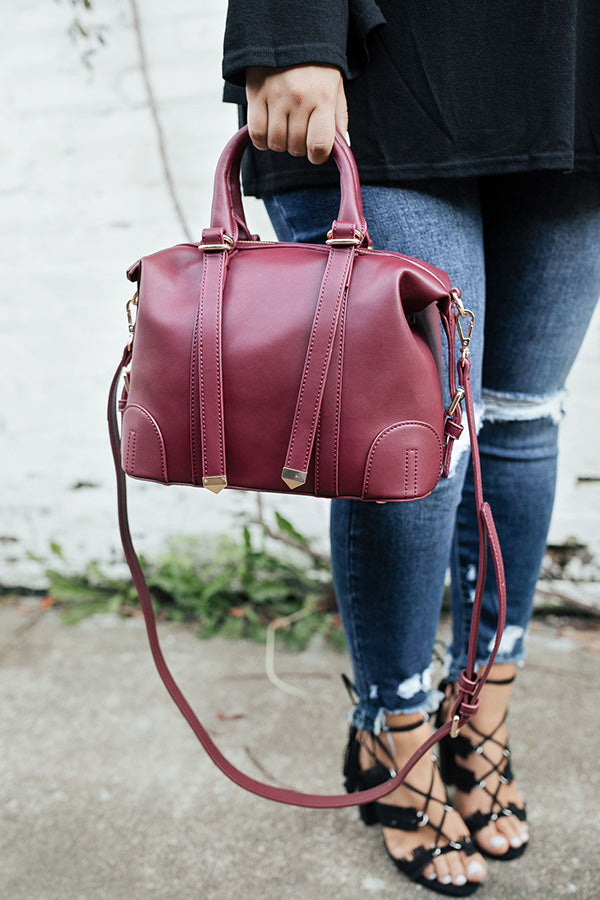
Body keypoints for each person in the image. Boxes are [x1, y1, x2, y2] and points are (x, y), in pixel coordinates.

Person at [222, 1, 600, 894]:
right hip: (391, 64)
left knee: (522, 420)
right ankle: (394, 727)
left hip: (571, 68)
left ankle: (479, 723)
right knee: (404, 442)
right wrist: (288, 31)